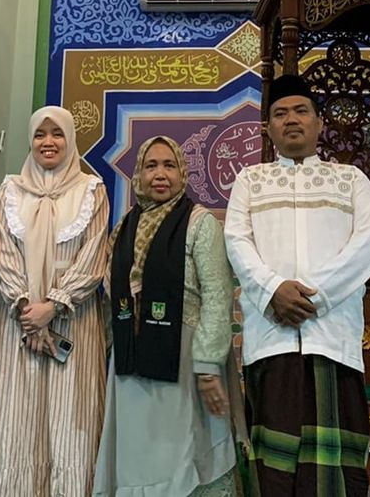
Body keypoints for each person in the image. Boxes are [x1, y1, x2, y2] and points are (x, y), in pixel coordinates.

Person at [224, 74, 370, 496]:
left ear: (319, 122)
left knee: (335, 474)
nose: (291, 119)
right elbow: (237, 243)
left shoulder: (350, 179)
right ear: (268, 128)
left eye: (300, 111)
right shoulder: (250, 181)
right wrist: (274, 290)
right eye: (280, 113)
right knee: (273, 470)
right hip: (271, 339)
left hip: (333, 341)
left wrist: (314, 297)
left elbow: (368, 246)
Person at [0, 106, 109, 496]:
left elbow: (93, 256)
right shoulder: (10, 190)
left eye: (57, 134)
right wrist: (26, 308)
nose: (48, 142)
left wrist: (54, 305)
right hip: (19, 322)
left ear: (70, 139)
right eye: (40, 134)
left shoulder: (92, 190)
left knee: (72, 419)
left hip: (73, 319)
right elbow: (4, 254)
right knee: (16, 413)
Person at [93, 136, 240, 496]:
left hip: (184, 360)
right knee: (135, 454)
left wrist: (207, 366)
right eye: (151, 166)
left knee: (179, 454)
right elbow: (112, 297)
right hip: (130, 363)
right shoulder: (124, 227)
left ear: (182, 173)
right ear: (138, 175)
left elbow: (217, 296)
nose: (160, 174)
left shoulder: (200, 223)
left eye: (169, 165)